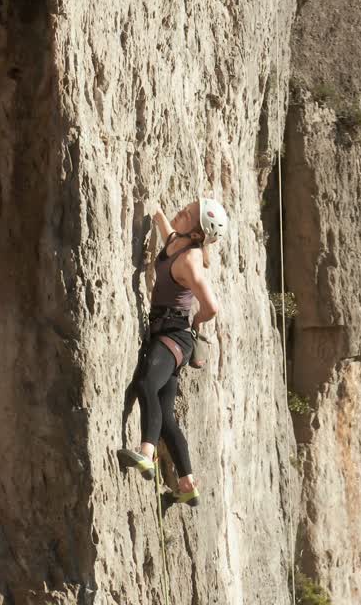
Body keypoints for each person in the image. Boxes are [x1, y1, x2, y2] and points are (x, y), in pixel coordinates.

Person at [117, 196, 229, 507]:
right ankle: (187, 483)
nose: (182, 212)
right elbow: (166, 230)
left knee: (145, 384)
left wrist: (196, 322)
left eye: (188, 213)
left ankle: (146, 454)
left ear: (197, 233)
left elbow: (211, 307)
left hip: (175, 336)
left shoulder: (190, 260)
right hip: (170, 335)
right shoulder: (177, 241)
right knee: (164, 415)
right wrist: (154, 210)